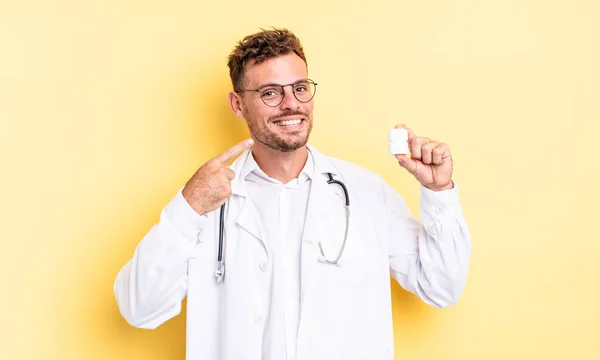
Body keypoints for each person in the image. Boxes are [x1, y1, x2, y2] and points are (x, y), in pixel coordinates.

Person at [114, 28, 471, 360]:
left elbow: (440, 287)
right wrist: (188, 207)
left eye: (300, 88)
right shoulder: (206, 200)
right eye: (270, 93)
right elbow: (139, 308)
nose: (291, 104)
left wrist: (439, 192)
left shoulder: (365, 192)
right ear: (237, 105)